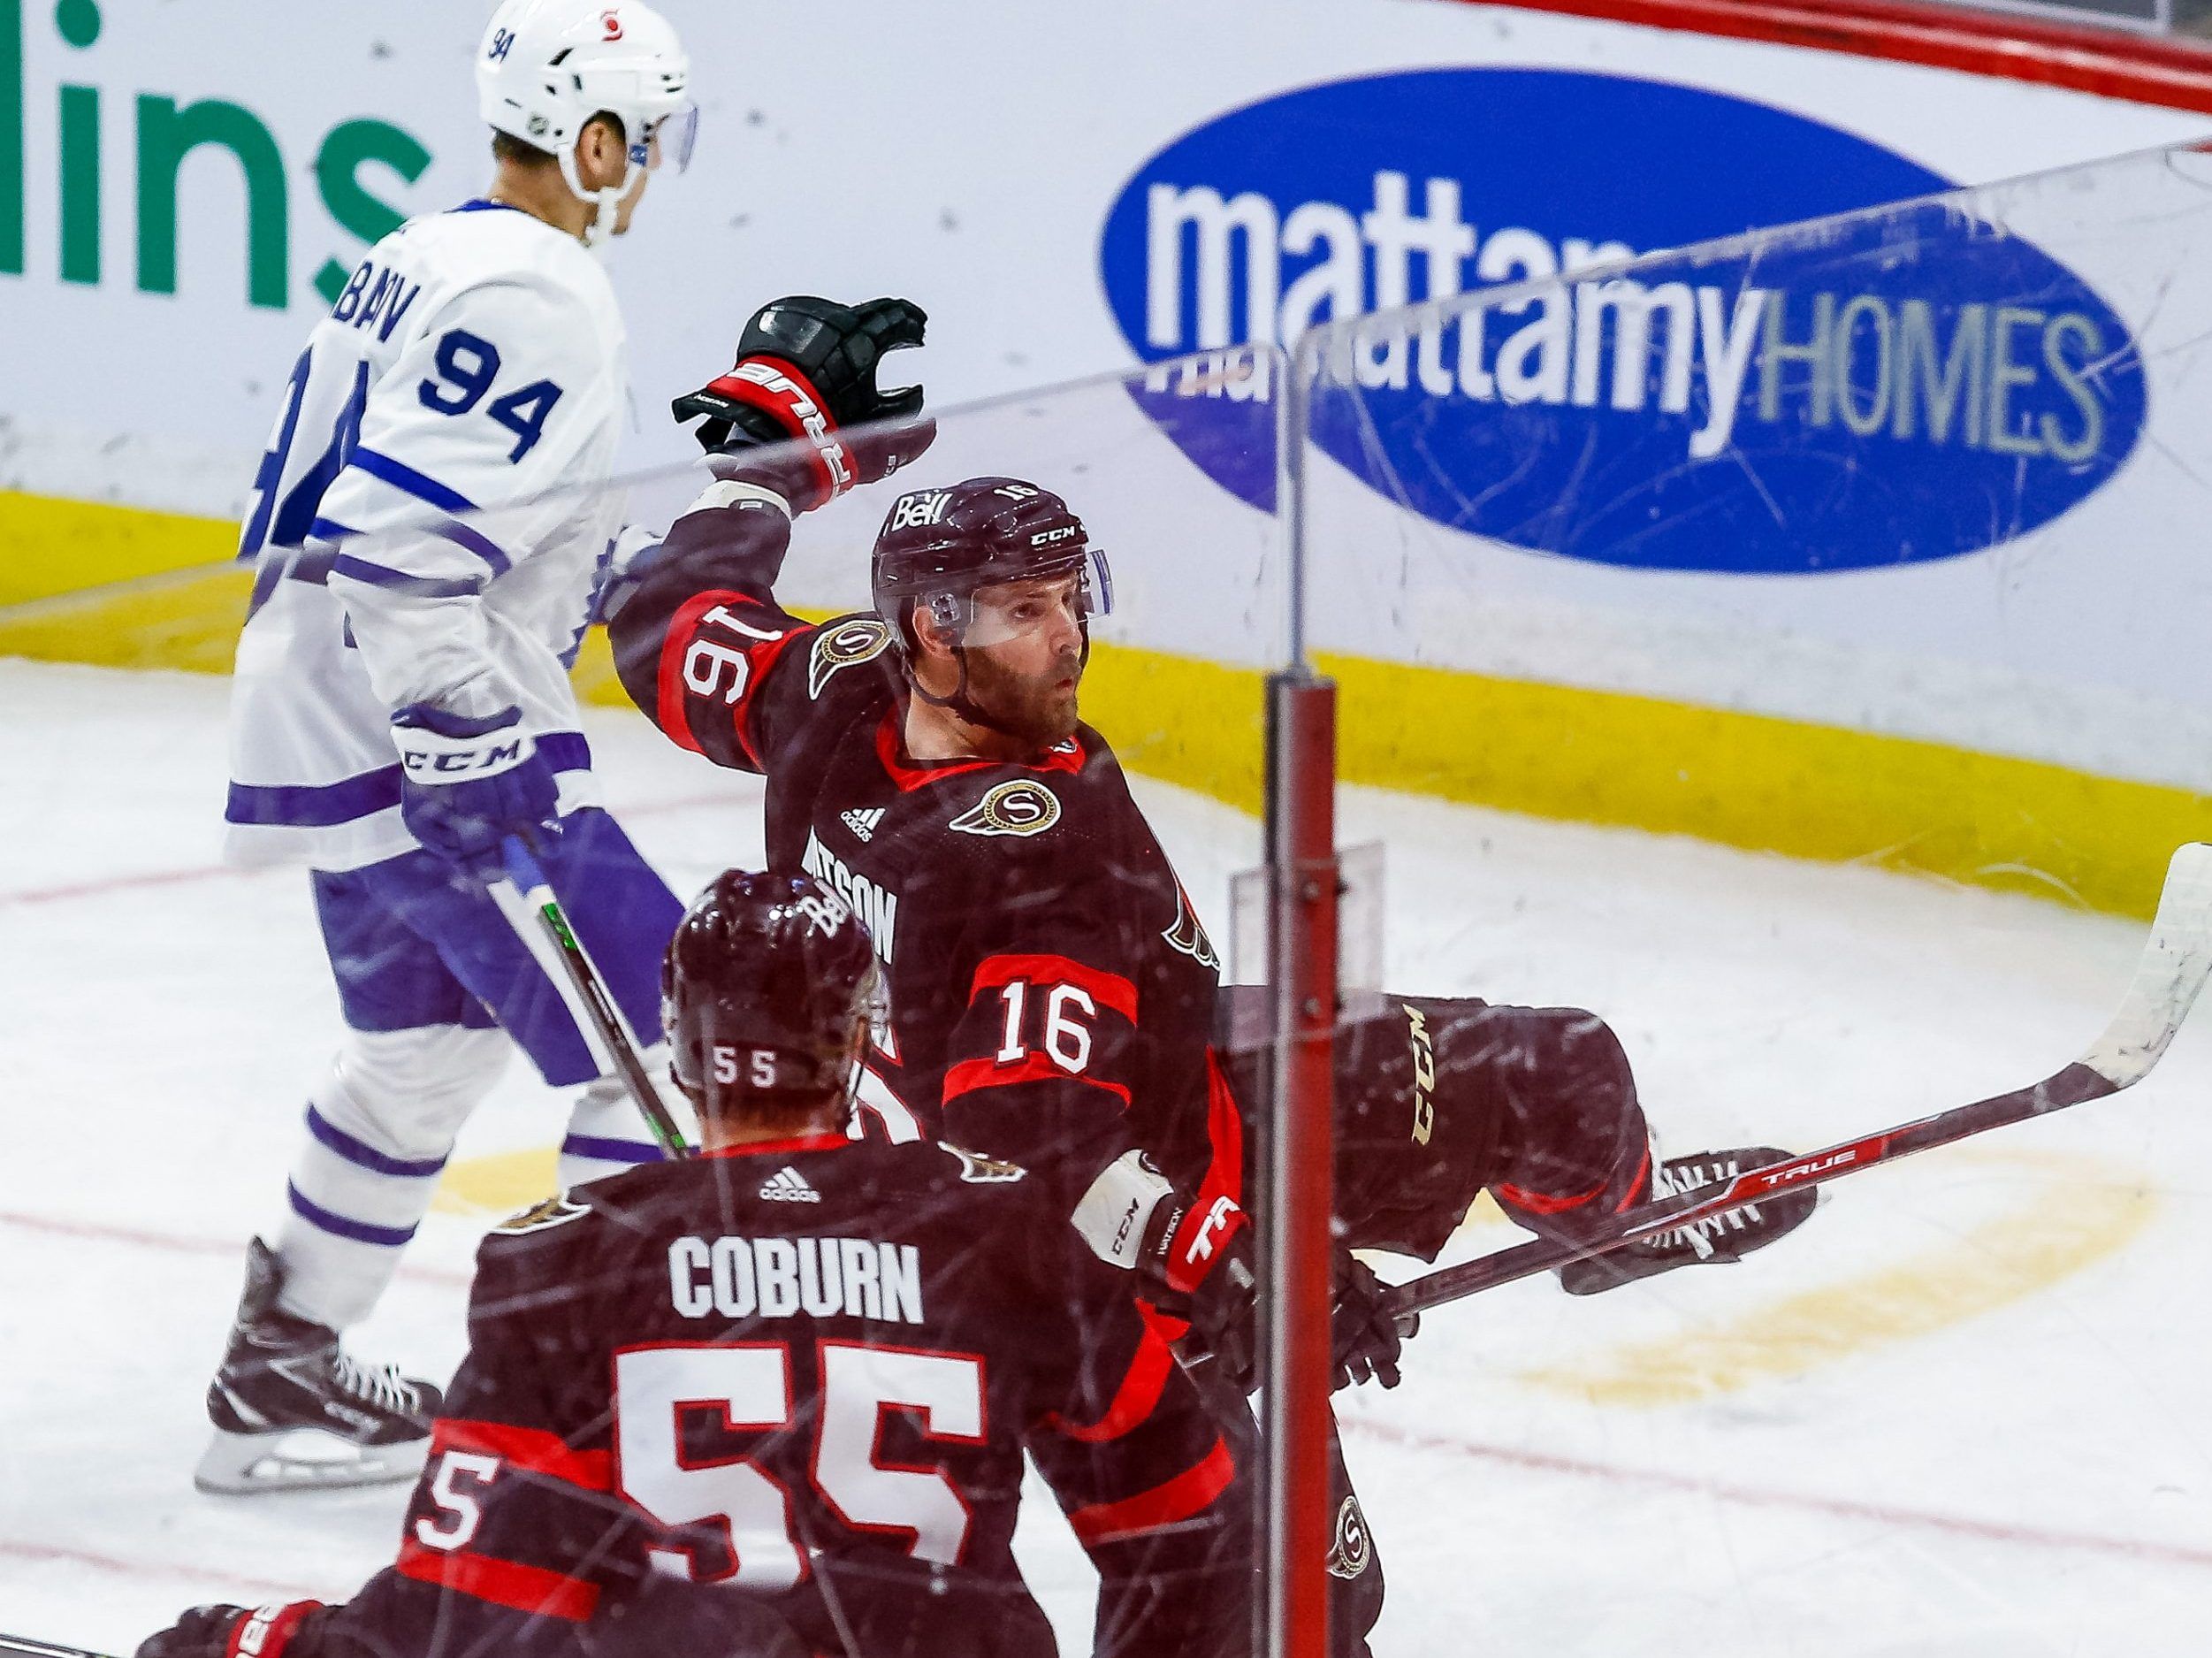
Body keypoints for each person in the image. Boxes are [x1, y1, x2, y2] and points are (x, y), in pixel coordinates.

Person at [599, 298, 1821, 1654]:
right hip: (1123, 1209)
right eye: (1022, 610)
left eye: (1069, 598)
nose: (1066, 638)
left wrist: (766, 469)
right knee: (1287, 1599)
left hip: (1173, 1087)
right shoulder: (1034, 856)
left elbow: (669, 619)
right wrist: (1243, 1270)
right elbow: (1043, 1143)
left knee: (1558, 1066)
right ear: (933, 631)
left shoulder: (833, 687)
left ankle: (1616, 1217)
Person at [136, 872, 1255, 1658]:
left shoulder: (568, 1264)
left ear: (678, 1046)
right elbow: (1192, 1538)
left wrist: (253, 1644)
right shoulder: (1000, 1231)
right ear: (862, 1038)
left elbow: (464, 1625)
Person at [202, 0, 703, 1494]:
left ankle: (284, 1367)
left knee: (421, 1055)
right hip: (422, 730)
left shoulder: (425, 250)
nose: (658, 165)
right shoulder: (538, 292)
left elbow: (398, 511)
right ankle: (589, 1422)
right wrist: (466, 742)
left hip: (326, 712)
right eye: (650, 137)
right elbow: (404, 550)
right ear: (596, 142)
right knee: (670, 1045)